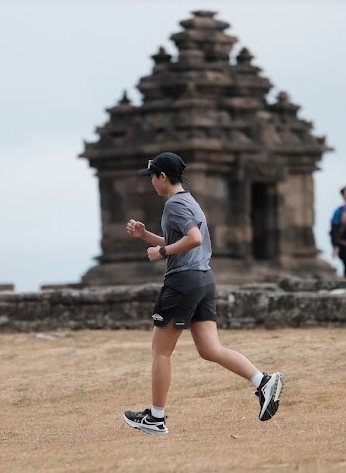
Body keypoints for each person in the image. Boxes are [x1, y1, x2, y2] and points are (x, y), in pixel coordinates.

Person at [122, 152, 284, 435]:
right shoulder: (189, 201)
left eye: (151, 176)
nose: (150, 182)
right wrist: (146, 236)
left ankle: (156, 419)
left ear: (162, 176)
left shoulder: (174, 204)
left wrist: (161, 252)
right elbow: (184, 240)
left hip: (182, 282)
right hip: (203, 279)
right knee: (210, 349)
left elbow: (193, 240)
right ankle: (263, 381)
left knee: (160, 351)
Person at [330, 185, 346, 277]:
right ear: (343, 196)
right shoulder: (339, 211)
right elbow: (334, 229)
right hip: (344, 244)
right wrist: (335, 246)